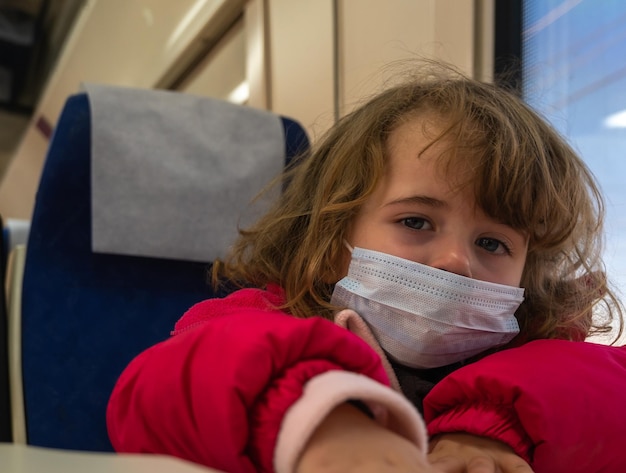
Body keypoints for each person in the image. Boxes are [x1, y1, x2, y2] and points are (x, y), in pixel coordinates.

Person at [107, 63, 626, 473]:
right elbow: (163, 387)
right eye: (417, 221)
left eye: (493, 242)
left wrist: (494, 424)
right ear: (335, 240)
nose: (455, 261)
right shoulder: (259, 320)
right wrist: (324, 420)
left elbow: (602, 392)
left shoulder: (541, 347)